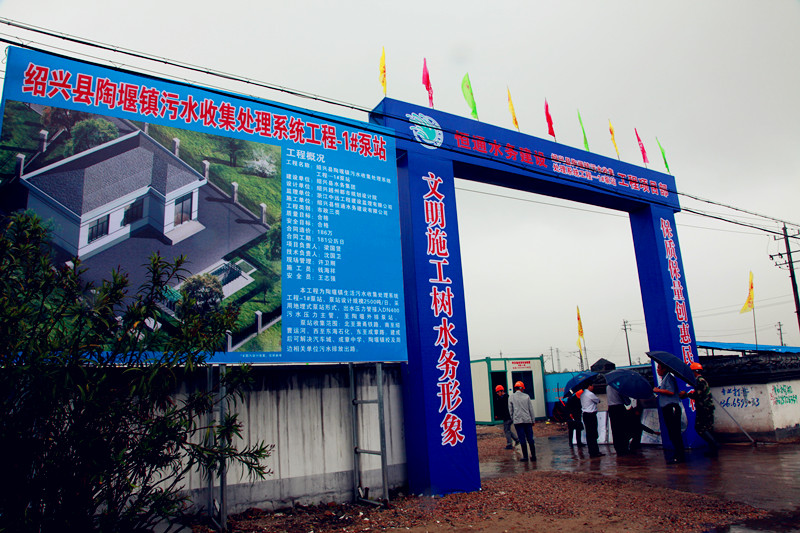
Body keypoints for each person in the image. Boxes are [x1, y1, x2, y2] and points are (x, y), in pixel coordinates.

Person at [680, 362, 718, 457]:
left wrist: (686, 394)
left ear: (695, 371)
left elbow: (698, 394)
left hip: (704, 408)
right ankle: (713, 449)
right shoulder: (700, 380)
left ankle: (714, 445)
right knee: (707, 428)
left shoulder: (700, 381)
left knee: (700, 428)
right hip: (706, 407)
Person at [653, 362, 685, 464]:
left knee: (675, 432)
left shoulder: (669, 378)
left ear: (664, 369)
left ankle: (680, 455)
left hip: (671, 407)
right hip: (666, 408)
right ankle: (677, 453)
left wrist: (658, 390)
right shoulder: (664, 379)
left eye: (659, 368)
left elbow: (671, 391)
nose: (657, 370)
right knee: (672, 432)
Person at [508, 381, 536, 461]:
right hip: (527, 420)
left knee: (522, 439)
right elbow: (531, 409)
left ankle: (525, 457)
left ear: (515, 388)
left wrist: (513, 418)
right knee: (530, 438)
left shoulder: (511, 397)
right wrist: (533, 420)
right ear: (522, 388)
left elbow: (510, 410)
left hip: (518, 421)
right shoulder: (526, 397)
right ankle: (533, 456)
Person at [606, 384, 631, 456]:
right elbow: (627, 401)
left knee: (615, 429)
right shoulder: (619, 387)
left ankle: (618, 448)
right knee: (622, 429)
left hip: (611, 409)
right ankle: (624, 448)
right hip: (619, 408)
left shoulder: (608, 387)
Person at [581, 383, 604, 458]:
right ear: (589, 386)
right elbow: (598, 400)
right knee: (593, 433)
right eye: (592, 385)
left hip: (585, 415)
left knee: (589, 434)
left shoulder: (582, 394)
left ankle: (592, 451)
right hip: (591, 415)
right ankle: (595, 451)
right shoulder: (590, 394)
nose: (593, 387)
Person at [493, 384, 519, 449]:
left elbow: (504, 408)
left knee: (506, 430)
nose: (497, 393)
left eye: (498, 392)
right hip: (508, 417)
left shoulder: (506, 398)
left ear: (501, 391)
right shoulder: (504, 398)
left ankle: (509, 444)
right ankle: (516, 439)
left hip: (508, 417)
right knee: (507, 430)